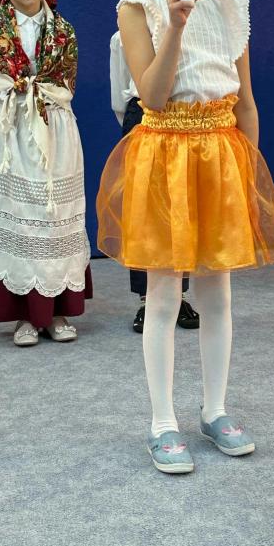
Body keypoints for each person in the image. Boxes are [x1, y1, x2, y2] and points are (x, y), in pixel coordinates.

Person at [97, 0, 274, 473]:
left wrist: (247, 176)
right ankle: (162, 422)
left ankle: (215, 409)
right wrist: (176, 24)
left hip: (221, 154)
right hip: (165, 155)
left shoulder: (230, 8)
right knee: (162, 294)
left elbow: (246, 101)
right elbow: (152, 95)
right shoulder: (137, 8)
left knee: (217, 294)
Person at [0, 0, 92, 347]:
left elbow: (64, 87)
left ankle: (57, 310)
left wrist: (40, 104)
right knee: (21, 217)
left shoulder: (63, 31)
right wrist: (9, 119)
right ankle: (24, 314)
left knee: (54, 218)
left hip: (55, 133)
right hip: (12, 135)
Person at [110, 30, 199, 332]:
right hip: (143, 117)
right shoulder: (123, 37)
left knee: (182, 210)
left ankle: (179, 294)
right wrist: (134, 125)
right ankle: (146, 298)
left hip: (185, 118)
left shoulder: (189, 32)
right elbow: (119, 93)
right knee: (146, 215)